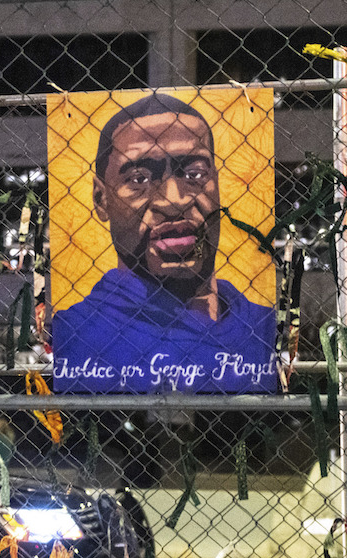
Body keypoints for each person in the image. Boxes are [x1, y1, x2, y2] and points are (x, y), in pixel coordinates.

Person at [51, 93, 277, 393]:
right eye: (139, 179)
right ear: (100, 199)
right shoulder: (74, 332)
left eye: (195, 174)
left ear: (219, 184)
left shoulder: (262, 326)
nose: (174, 201)